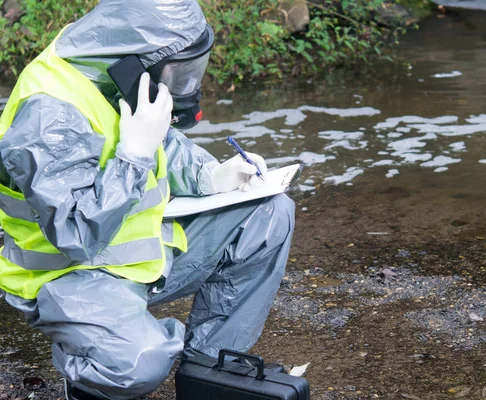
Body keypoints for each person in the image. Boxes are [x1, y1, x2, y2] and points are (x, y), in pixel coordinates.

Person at [0, 1, 295, 399]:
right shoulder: (47, 115)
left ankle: (207, 374)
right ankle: (91, 380)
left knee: (268, 213)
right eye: (180, 72)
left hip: (136, 255)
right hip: (66, 276)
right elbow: (74, 233)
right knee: (138, 360)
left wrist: (211, 176)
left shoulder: (110, 64)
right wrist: (134, 155)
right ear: (138, 59)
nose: (186, 85)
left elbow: (161, 140)